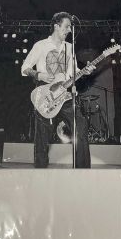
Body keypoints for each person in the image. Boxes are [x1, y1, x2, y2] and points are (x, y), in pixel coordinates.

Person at [21, 12, 94, 168]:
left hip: (65, 96)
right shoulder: (40, 46)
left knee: (81, 126)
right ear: (56, 26)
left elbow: (73, 71)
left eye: (70, 27)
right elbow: (24, 68)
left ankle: (83, 171)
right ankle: (40, 170)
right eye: (66, 26)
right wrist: (38, 74)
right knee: (42, 135)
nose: (69, 30)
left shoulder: (70, 47)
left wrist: (84, 71)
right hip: (45, 95)